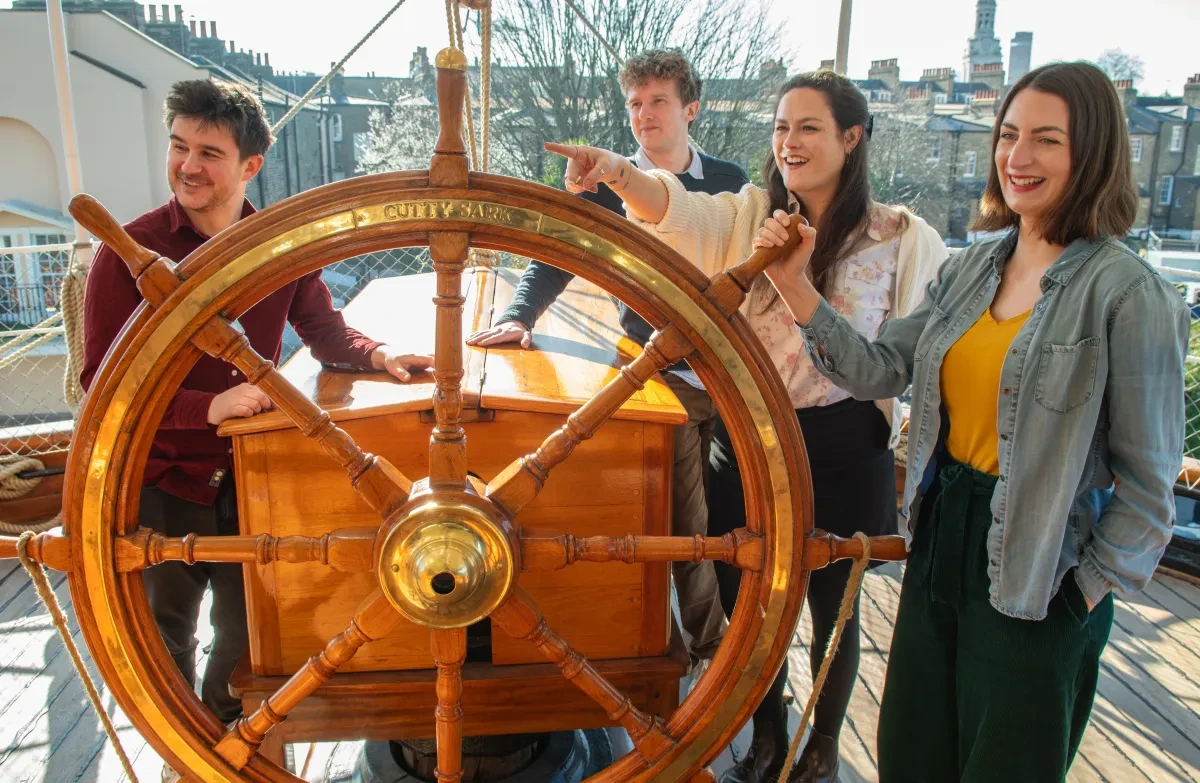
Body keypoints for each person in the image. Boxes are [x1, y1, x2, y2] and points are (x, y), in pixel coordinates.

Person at [753, 61, 1188, 781]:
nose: (1018, 158)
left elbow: (1148, 491)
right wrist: (795, 284)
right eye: (1009, 135)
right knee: (914, 753)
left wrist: (1078, 597)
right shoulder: (972, 267)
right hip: (939, 540)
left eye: (1046, 140)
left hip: (1043, 565)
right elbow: (877, 370)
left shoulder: (1128, 293)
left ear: (1095, 153)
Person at [545, 69, 947, 783]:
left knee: (835, 607)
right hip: (751, 437)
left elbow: (905, 362)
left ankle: (822, 742)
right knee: (749, 599)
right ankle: (769, 726)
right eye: (781, 127)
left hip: (846, 444)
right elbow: (681, 214)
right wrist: (617, 175)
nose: (789, 142)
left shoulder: (903, 239)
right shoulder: (749, 213)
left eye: (809, 127)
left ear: (852, 138)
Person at [80, 80, 432, 747]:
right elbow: (101, 386)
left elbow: (324, 329)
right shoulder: (127, 253)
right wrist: (207, 406)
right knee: (165, 631)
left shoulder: (275, 245)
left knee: (250, 631)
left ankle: (222, 733)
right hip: (158, 478)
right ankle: (182, 749)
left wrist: (379, 354)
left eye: (209, 151)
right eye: (179, 146)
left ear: (250, 167)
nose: (188, 164)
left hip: (251, 473)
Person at [467, 49, 748, 666]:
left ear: (690, 109)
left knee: (737, 509)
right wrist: (520, 316)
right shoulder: (603, 184)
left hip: (730, 373)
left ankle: (748, 632)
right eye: (635, 103)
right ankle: (711, 648)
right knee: (685, 514)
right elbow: (556, 254)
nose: (643, 115)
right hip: (657, 371)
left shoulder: (730, 183)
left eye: (658, 102)